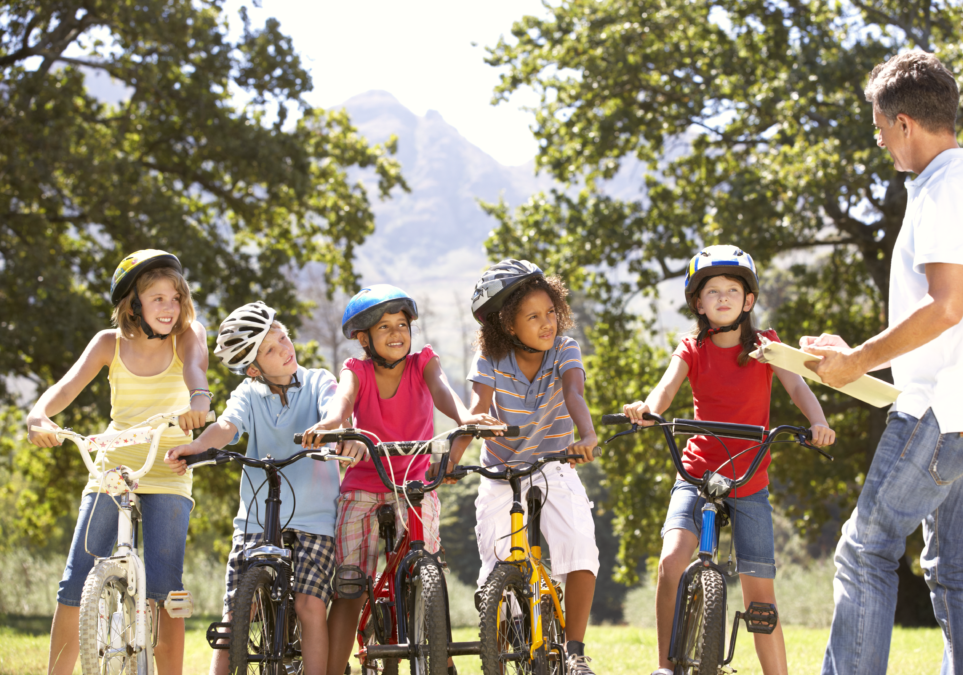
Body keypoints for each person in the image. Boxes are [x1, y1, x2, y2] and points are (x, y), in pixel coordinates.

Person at [802, 50, 963, 675]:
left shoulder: (945, 191)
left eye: (878, 127)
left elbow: (944, 307)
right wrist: (856, 357)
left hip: (940, 410)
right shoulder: (958, 184)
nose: (879, 142)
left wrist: (856, 364)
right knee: (954, 566)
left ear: (904, 123)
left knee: (863, 551)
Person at [622, 244, 835, 675]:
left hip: (749, 479)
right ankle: (666, 666)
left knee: (760, 596)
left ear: (748, 301)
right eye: (712, 290)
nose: (722, 297)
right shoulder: (691, 348)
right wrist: (648, 409)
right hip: (697, 472)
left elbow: (798, 389)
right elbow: (664, 391)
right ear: (698, 303)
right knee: (670, 563)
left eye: (732, 290)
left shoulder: (766, 346)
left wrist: (818, 423)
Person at [26, 249, 211, 675]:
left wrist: (199, 399)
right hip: (113, 468)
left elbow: (196, 369)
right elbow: (65, 386)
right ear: (133, 305)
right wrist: (39, 415)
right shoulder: (108, 343)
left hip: (166, 468)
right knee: (74, 582)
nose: (170, 307)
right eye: (158, 298)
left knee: (166, 592)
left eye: (175, 297)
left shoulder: (188, 334)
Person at [308, 284, 498, 675]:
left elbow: (442, 391)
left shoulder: (422, 363)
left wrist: (465, 418)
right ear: (364, 339)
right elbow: (342, 399)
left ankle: (437, 658)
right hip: (363, 486)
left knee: (425, 569)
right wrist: (330, 423)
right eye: (384, 327)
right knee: (351, 585)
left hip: (412, 488)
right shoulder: (356, 370)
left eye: (402, 325)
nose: (397, 334)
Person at [166, 301, 360, 675]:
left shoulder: (318, 380)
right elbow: (227, 426)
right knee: (238, 609)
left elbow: (336, 406)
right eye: (272, 348)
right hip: (256, 519)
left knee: (310, 606)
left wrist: (334, 429)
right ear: (254, 367)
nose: (286, 348)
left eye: (284, 337)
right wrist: (197, 446)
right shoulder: (248, 393)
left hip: (314, 520)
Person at [455, 259, 601, 675]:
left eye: (551, 312)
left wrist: (586, 436)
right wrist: (449, 461)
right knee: (495, 572)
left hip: (554, 463)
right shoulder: (490, 357)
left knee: (579, 544)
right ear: (507, 326)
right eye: (532, 317)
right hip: (502, 471)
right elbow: (477, 411)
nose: (547, 323)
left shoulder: (564, 349)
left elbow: (574, 393)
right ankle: (500, 653)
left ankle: (574, 651)